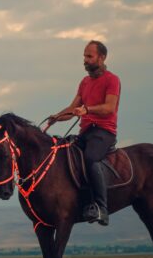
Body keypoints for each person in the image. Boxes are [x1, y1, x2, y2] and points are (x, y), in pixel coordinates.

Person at [46, 41, 121, 227]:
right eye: (84, 56)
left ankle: (101, 208)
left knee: (90, 159)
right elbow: (73, 109)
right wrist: (56, 117)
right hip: (86, 132)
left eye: (89, 56)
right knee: (64, 154)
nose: (85, 60)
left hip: (104, 132)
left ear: (102, 58)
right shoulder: (84, 82)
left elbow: (109, 108)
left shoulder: (112, 80)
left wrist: (87, 110)